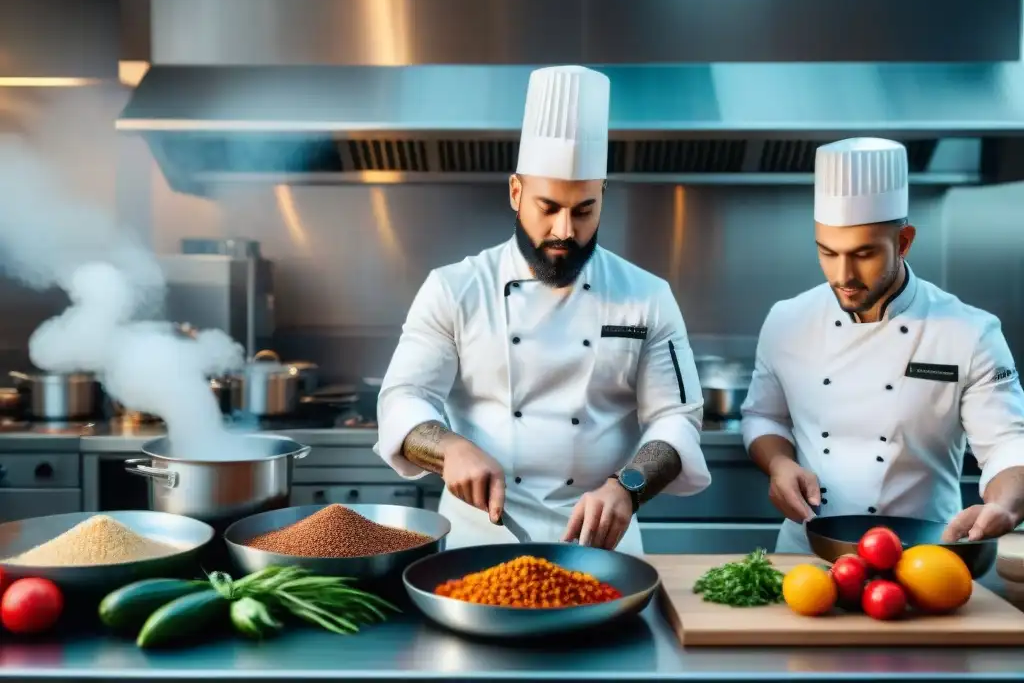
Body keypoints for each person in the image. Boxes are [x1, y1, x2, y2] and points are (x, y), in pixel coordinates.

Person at [374, 65, 712, 555]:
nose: (564, 231)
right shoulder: (454, 288)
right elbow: (402, 398)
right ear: (516, 192)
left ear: (603, 198)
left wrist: (628, 487)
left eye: (583, 210)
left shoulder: (648, 295)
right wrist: (450, 449)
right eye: (547, 207)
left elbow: (677, 419)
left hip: (605, 548)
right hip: (478, 542)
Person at [741, 137, 1024, 554]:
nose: (844, 275)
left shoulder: (969, 332)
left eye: (864, 254)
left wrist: (1005, 504)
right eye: (828, 252)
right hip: (806, 554)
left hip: (925, 557)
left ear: (904, 241)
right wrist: (780, 464)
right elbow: (762, 417)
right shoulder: (788, 320)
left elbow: (1006, 444)